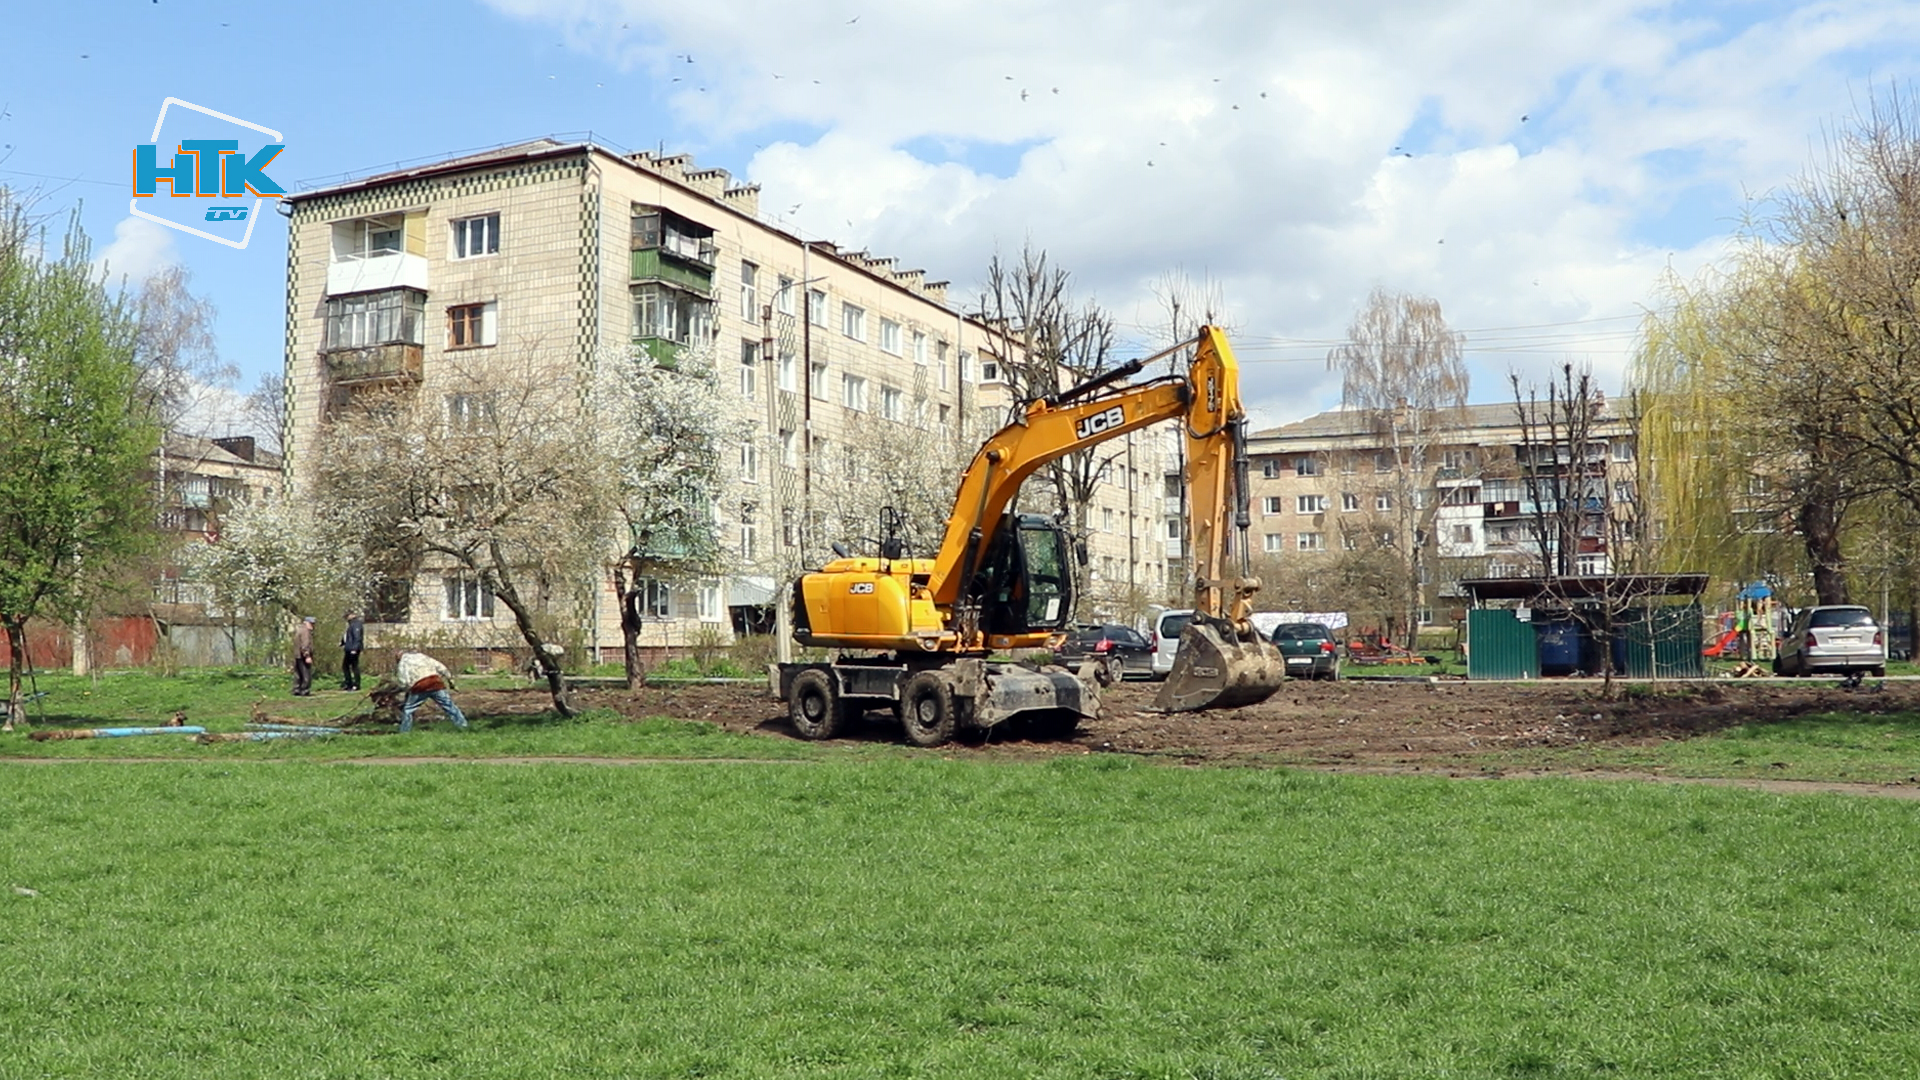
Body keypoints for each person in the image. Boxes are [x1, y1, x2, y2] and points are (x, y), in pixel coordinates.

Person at [396, 651, 469, 732]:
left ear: (398, 657)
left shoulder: (403, 663)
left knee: (408, 710)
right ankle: (463, 725)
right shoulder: (423, 657)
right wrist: (451, 682)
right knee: (449, 706)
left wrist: (407, 689)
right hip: (436, 683)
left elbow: (403, 680)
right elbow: (442, 668)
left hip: (421, 687)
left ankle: (404, 731)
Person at [340, 610, 365, 691]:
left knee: (354, 666)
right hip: (349, 648)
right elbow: (347, 636)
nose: (346, 618)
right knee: (345, 666)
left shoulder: (356, 624)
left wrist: (354, 648)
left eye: (347, 616)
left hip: (353, 649)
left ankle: (356, 684)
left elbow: (357, 637)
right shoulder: (351, 624)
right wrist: (342, 643)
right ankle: (349, 683)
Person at [291, 615, 315, 696]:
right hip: (303, 656)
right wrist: (307, 656)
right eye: (311, 624)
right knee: (306, 673)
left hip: (298, 655)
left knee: (298, 673)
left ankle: (296, 689)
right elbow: (305, 644)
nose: (313, 626)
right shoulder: (305, 632)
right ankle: (304, 690)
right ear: (307, 623)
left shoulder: (299, 630)